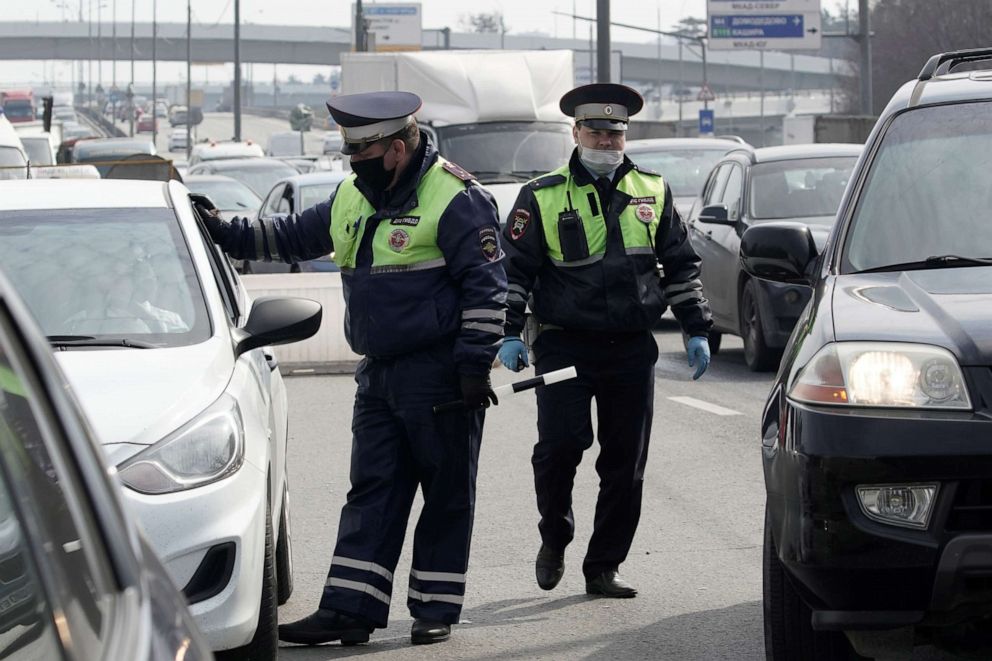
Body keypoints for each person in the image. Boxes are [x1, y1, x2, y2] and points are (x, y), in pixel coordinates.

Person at [200, 90, 508, 645]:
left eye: (361, 151)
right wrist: (222, 226)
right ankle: (350, 610)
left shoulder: (458, 198)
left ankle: (435, 606)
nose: (351, 160)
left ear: (396, 147)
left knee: (444, 492)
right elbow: (290, 235)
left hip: (439, 374)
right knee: (372, 491)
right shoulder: (353, 194)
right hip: (380, 373)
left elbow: (488, 290)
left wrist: (472, 366)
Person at [497, 83, 712, 599]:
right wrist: (507, 332)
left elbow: (680, 265)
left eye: (615, 133)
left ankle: (603, 566)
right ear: (575, 133)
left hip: (630, 347)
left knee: (625, 463)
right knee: (560, 447)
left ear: (625, 136)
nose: (605, 141)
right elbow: (513, 272)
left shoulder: (651, 190)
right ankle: (555, 535)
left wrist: (697, 327)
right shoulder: (542, 194)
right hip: (563, 345)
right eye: (595, 131)